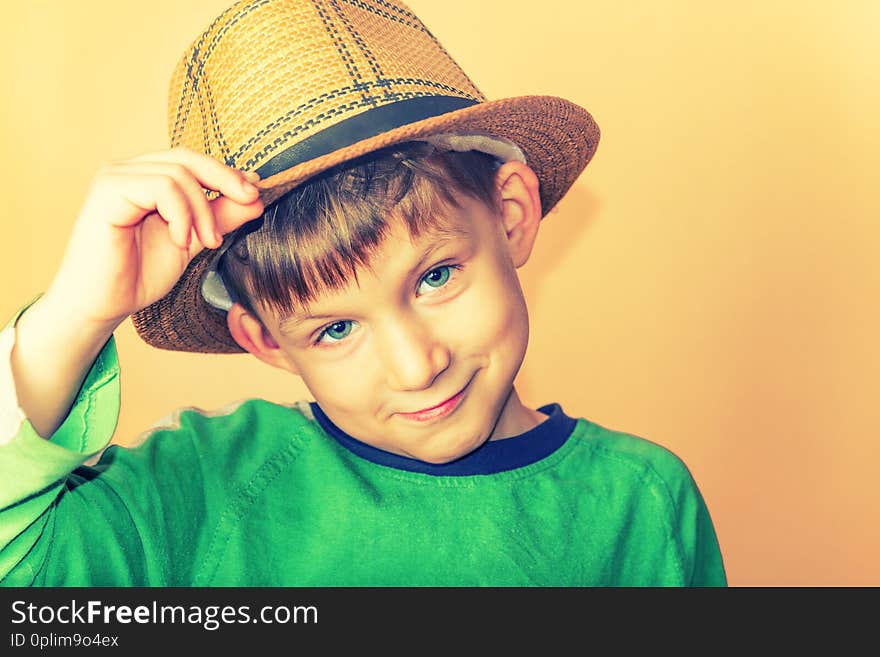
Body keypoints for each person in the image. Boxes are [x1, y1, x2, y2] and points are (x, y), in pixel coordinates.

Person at [0, 0, 726, 586]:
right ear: (262, 338)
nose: (417, 367)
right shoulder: (201, 491)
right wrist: (76, 312)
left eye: (436, 277)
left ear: (510, 214)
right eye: (335, 330)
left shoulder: (643, 504)